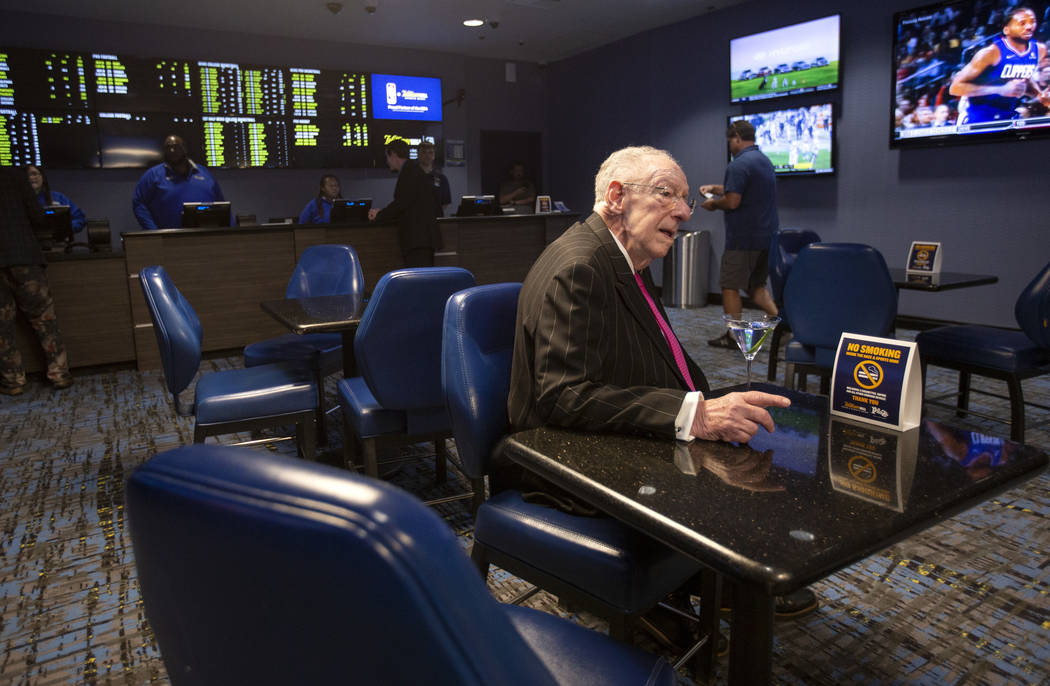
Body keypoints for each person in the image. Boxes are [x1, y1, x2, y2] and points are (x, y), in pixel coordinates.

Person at [507, 144, 816, 617]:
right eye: (667, 194)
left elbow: (654, 352)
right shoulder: (580, 267)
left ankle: (706, 573)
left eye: (687, 200)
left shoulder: (622, 258)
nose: (684, 212)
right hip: (566, 461)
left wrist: (704, 402)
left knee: (757, 455)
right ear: (616, 197)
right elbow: (563, 397)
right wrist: (695, 412)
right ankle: (707, 577)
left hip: (610, 432)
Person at [698, 120, 780, 349]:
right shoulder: (763, 160)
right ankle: (783, 325)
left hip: (743, 239)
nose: (729, 146)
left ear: (736, 136)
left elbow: (733, 201)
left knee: (729, 285)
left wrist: (713, 205)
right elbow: (744, 189)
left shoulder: (738, 164)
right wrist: (716, 188)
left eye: (729, 141)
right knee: (756, 287)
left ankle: (734, 337)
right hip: (766, 236)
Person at [0, 167, 73, 395]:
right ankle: (59, 374)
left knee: (2, 327)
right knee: (44, 319)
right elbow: (37, 216)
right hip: (24, 258)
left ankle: (13, 381)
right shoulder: (14, 175)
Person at [949, 6, 1050, 125]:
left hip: (1008, 117)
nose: (1029, 27)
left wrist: (1039, 94)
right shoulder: (991, 53)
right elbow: (955, 88)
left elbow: (1024, 78)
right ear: (1007, 30)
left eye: (1032, 22)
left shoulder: (1039, 50)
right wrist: (1000, 89)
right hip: (977, 118)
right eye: (1022, 23)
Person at [367, 139, 442, 267]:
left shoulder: (409, 172)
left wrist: (379, 215)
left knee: (419, 281)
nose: (387, 161)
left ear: (394, 155)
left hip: (418, 240)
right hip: (423, 239)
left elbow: (401, 203)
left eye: (387, 157)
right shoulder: (414, 170)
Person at [132, 135, 224, 230]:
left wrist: (229, 230)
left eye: (176, 146)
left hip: (206, 237)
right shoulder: (153, 175)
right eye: (168, 147)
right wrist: (153, 231)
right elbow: (139, 204)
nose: (172, 150)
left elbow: (221, 205)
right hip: (168, 239)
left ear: (184, 148)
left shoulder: (204, 173)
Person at [26, 166, 87, 248]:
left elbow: (80, 218)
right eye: (27, 175)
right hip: (28, 246)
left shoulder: (57, 197)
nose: (31, 177)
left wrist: (67, 228)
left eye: (34, 174)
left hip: (58, 246)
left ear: (42, 177)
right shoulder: (16, 201)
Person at [417, 141, 451, 217]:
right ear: (418, 155)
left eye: (430, 152)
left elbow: (445, 202)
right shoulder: (411, 177)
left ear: (434, 156)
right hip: (416, 220)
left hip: (436, 220)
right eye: (424, 152)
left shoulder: (441, 178)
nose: (427, 155)